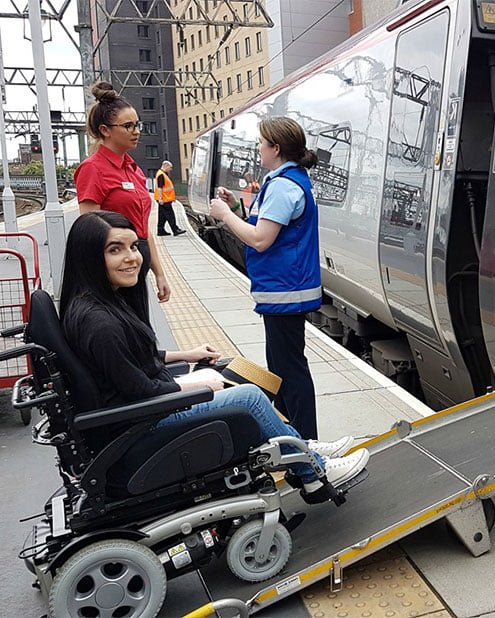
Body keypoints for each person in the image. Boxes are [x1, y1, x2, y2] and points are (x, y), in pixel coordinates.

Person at [59, 211, 369, 499]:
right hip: (143, 424)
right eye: (115, 250)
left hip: (142, 414)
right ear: (89, 257)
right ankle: (313, 473)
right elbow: (137, 390)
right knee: (248, 396)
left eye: (133, 247)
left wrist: (188, 354)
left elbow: (131, 358)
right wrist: (195, 386)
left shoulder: (98, 305)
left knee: (230, 368)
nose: (132, 258)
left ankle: (298, 444)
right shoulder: (99, 323)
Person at [210, 117, 321, 439]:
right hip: (285, 289)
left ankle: (306, 439)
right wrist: (236, 208)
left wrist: (226, 215)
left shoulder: (284, 186)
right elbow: (268, 228)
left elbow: (260, 239)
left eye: (261, 143)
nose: (258, 148)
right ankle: (292, 434)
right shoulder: (287, 180)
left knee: (289, 370)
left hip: (285, 290)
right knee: (284, 368)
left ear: (275, 148)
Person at [74, 81, 170, 304]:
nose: (136, 132)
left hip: (136, 262)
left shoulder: (132, 169)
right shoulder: (93, 169)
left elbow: (143, 228)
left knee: (139, 328)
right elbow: (89, 232)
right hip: (114, 271)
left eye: (138, 125)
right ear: (105, 130)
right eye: (128, 126)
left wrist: (159, 273)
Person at [154, 160, 186, 236]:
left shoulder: (162, 174)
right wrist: (161, 198)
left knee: (162, 216)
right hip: (164, 199)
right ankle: (175, 230)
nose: (171, 169)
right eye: (170, 167)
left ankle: (160, 230)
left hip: (164, 199)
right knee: (170, 215)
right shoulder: (161, 175)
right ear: (166, 166)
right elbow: (160, 188)